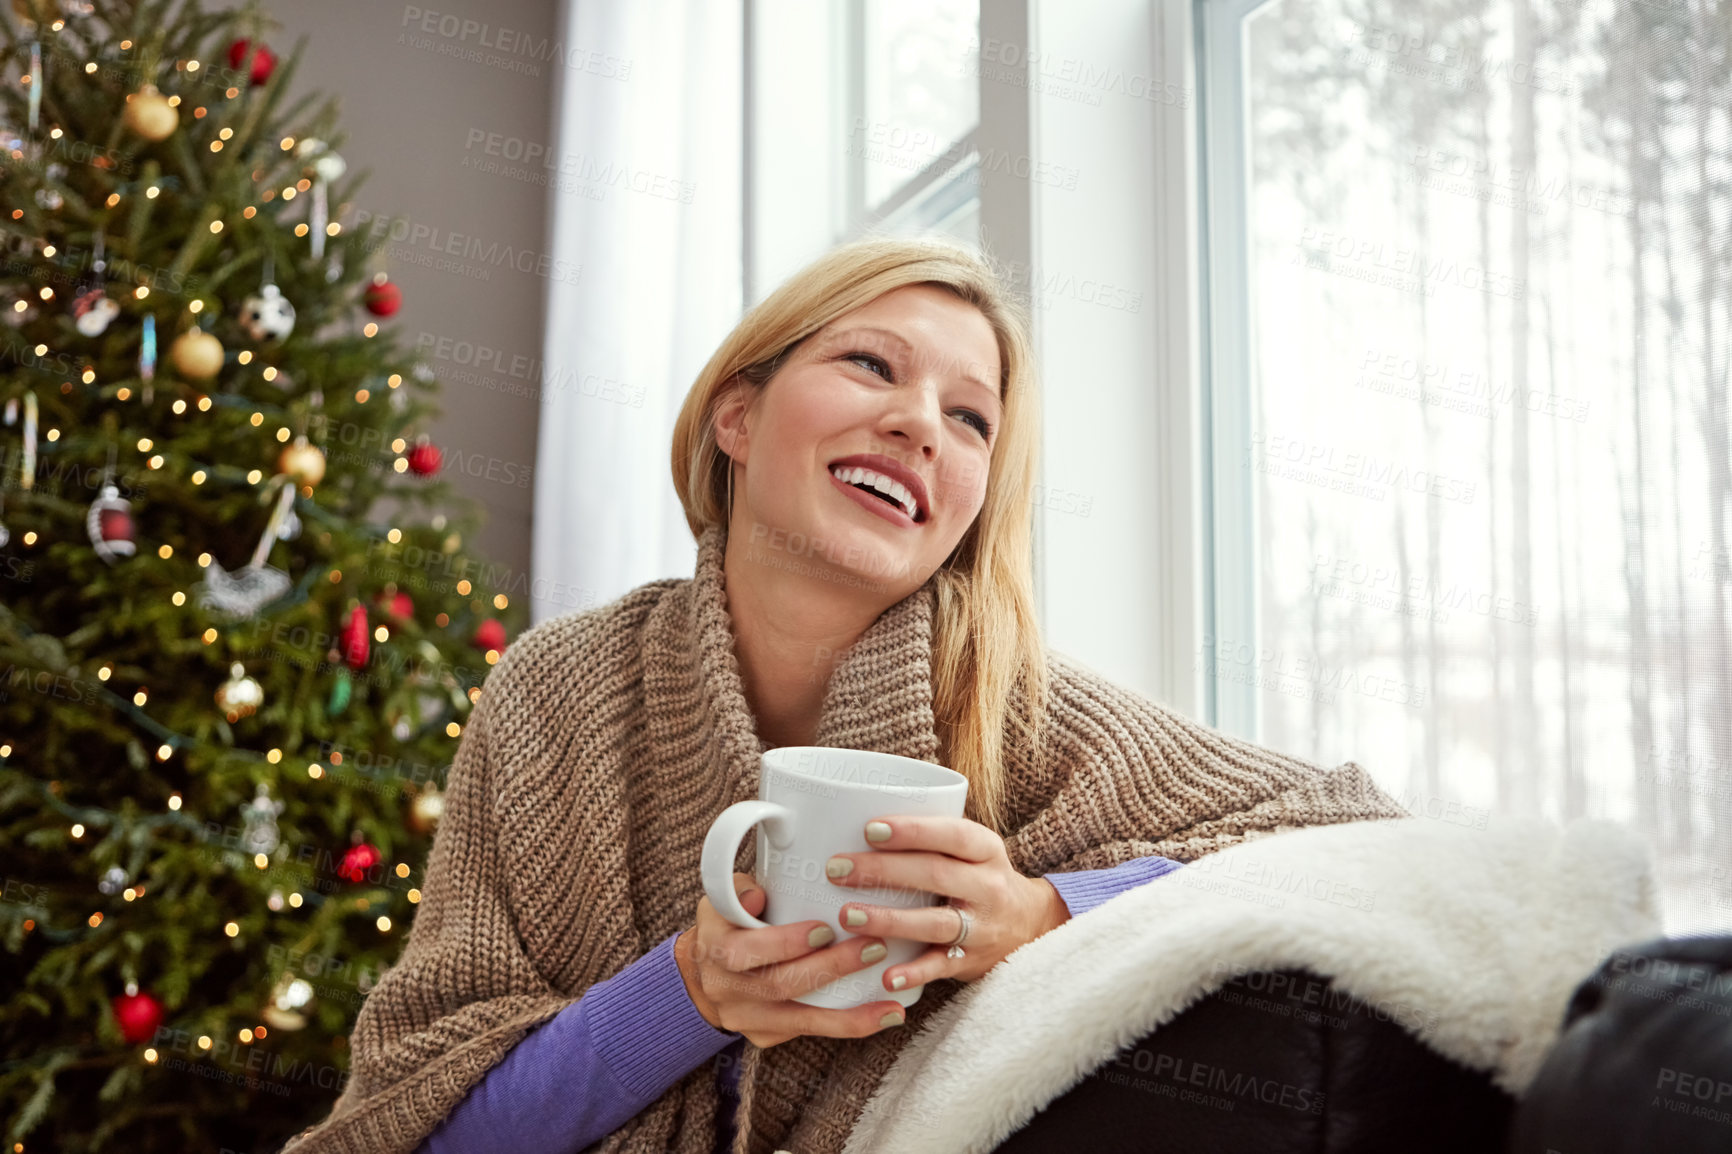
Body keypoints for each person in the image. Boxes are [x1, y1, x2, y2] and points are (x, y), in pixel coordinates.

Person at [280, 238, 1406, 1154]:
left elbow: (1354, 834)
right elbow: (429, 1129)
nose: (923, 421)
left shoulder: (1019, 707)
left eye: (970, 417)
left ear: (972, 498)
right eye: (872, 364)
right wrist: (688, 991)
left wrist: (1044, 915)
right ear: (737, 417)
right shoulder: (558, 692)